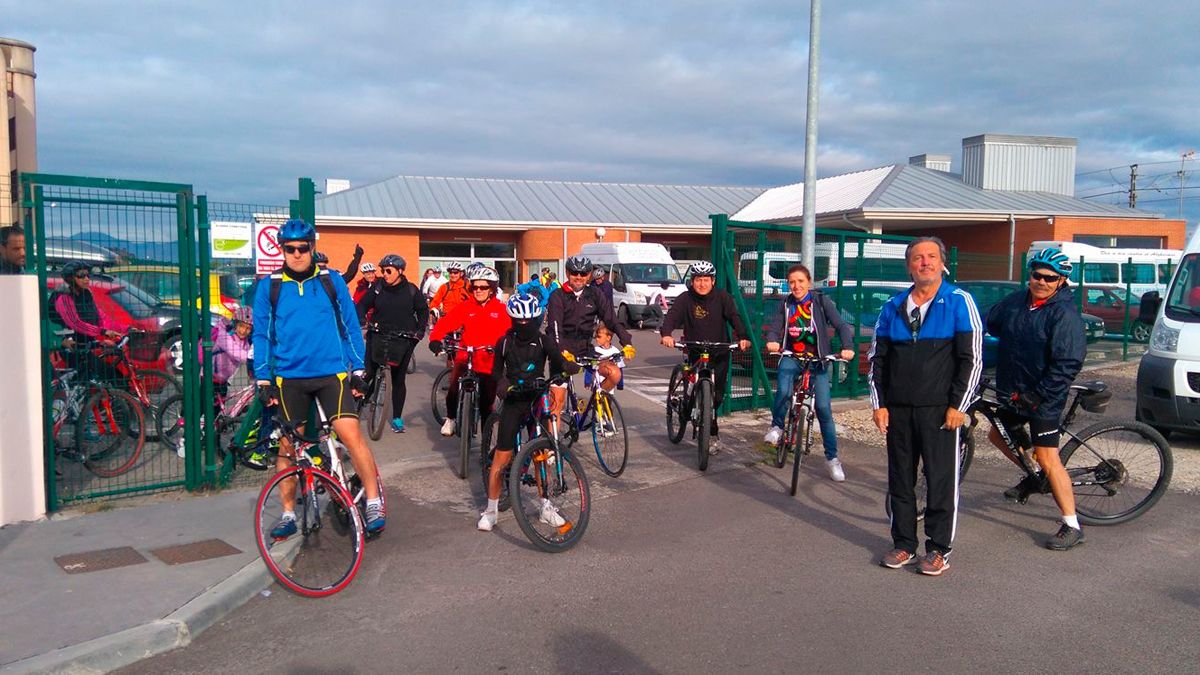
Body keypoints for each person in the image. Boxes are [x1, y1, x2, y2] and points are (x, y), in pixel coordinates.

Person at [252, 219, 385, 537]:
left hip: (331, 374)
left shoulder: (331, 280)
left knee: (351, 437)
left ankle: (373, 500)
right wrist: (262, 378)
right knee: (287, 448)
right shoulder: (269, 286)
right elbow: (262, 334)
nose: (297, 254)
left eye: (303, 247)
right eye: (290, 248)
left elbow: (351, 326)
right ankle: (287, 514)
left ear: (312, 246)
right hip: (289, 378)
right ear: (282, 249)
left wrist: (357, 370)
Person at [870, 236, 982, 576]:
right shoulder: (892, 307)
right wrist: (879, 404)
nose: (924, 263)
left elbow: (972, 359)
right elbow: (877, 359)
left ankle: (938, 550)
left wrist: (958, 406)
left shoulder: (959, 302)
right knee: (900, 480)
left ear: (942, 262)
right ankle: (904, 544)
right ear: (909, 266)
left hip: (941, 412)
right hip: (899, 411)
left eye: (931, 256)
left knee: (940, 481)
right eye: (917, 258)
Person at [986, 248, 1087, 550]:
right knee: (997, 434)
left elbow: (1067, 364)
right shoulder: (1018, 302)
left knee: (1047, 456)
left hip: (1044, 396)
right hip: (1013, 388)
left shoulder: (1064, 315)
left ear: (1062, 281)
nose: (1041, 281)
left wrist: (1038, 394)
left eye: (1049, 278)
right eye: (1036, 275)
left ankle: (1072, 524)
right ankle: (1035, 477)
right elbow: (990, 321)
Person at [477, 293, 579, 532]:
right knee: (501, 459)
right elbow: (496, 372)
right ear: (512, 320)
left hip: (537, 398)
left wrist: (566, 368)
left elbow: (556, 362)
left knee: (541, 455)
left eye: (528, 321)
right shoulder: (504, 342)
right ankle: (490, 511)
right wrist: (501, 383)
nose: (524, 325)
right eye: (518, 321)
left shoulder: (544, 341)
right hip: (514, 400)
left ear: (537, 318)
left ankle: (545, 506)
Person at [763, 264, 856, 481]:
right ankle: (777, 427)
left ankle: (832, 459)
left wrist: (847, 347)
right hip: (791, 356)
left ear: (809, 282)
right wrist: (772, 341)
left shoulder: (821, 301)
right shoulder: (785, 304)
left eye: (800, 281)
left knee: (823, 408)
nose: (796, 286)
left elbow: (841, 325)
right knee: (784, 390)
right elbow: (775, 327)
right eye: (792, 282)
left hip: (818, 360)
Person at [659, 260, 750, 454]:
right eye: (698, 279)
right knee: (693, 386)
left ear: (713, 281)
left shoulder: (723, 297)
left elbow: (735, 317)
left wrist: (743, 337)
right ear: (692, 281)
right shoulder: (685, 299)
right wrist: (666, 334)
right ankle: (685, 404)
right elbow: (672, 317)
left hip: (719, 352)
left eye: (706, 280)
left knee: (716, 396)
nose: (702, 284)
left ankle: (710, 422)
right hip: (695, 350)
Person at [546, 255, 635, 429]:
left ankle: (592, 404)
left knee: (615, 373)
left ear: (589, 275)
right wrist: (562, 352)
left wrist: (626, 341)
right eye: (574, 272)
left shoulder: (595, 294)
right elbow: (554, 328)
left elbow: (611, 319)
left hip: (586, 349)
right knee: (557, 401)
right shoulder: (558, 296)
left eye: (583, 273)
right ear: (567, 273)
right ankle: (551, 449)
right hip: (563, 350)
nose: (578, 276)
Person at [428, 266, 510, 437]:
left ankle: (486, 445)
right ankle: (451, 418)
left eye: (483, 287)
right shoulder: (466, 307)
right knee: (453, 387)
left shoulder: (501, 310)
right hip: (467, 355)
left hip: (489, 360)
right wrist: (435, 339)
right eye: (475, 287)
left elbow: (511, 333)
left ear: (492, 289)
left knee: (487, 403)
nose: (478, 290)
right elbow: (446, 323)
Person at [356, 253, 428, 433]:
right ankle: (356, 406)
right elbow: (363, 304)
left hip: (403, 338)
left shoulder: (411, 290)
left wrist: (419, 331)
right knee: (369, 371)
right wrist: (362, 319)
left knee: (398, 379)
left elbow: (423, 311)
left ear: (400, 271)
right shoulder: (378, 287)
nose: (384, 274)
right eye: (383, 270)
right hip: (378, 333)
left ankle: (396, 418)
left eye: (388, 271)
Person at [51, 261, 124, 381]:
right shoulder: (63, 297)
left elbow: (100, 317)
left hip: (85, 344)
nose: (86, 279)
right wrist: (103, 332)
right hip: (68, 346)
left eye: (87, 275)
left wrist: (124, 329)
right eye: (81, 276)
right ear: (70, 278)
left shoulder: (86, 294)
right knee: (99, 376)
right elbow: (75, 323)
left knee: (102, 376)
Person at [588, 324, 624, 394]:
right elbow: (591, 367)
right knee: (597, 403)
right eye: (596, 337)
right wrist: (587, 381)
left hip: (610, 386)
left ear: (608, 338)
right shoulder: (595, 350)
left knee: (608, 403)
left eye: (599, 337)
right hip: (597, 383)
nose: (596, 339)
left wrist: (620, 383)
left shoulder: (615, 351)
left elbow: (619, 368)